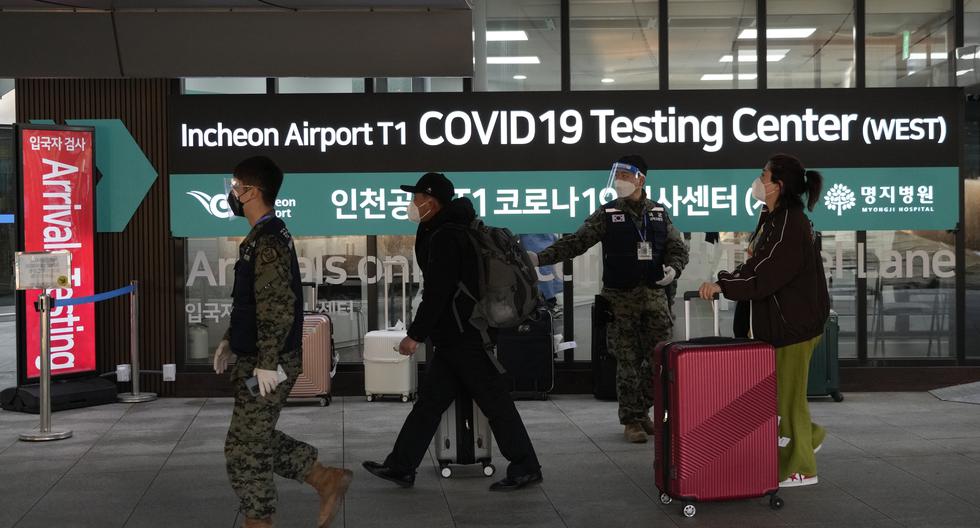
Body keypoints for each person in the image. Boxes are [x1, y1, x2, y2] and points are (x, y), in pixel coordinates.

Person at [362, 172, 542, 491]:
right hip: (455, 336)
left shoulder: (446, 236)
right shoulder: (441, 229)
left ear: (431, 201)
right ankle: (401, 465)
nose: (411, 204)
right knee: (431, 402)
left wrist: (415, 335)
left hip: (466, 336)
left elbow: (438, 292)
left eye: (416, 198)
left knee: (494, 402)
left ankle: (526, 465)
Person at [213, 156, 352, 528]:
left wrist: (267, 362)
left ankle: (261, 520)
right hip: (257, 356)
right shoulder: (262, 236)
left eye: (235, 185)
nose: (231, 192)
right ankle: (325, 478)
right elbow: (252, 302)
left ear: (251, 192)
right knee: (250, 439)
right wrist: (230, 339)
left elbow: (278, 306)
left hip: (267, 362)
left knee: (245, 450)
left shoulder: (269, 239)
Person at [530, 155, 689, 443]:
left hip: (655, 300)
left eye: (626, 176)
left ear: (641, 179)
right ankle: (631, 420)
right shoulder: (607, 214)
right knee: (627, 361)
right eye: (617, 175)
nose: (620, 181)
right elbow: (575, 243)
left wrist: (674, 268)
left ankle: (643, 411)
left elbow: (677, 247)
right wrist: (540, 257)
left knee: (659, 359)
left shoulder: (659, 213)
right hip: (620, 300)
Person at [698, 153, 829, 488]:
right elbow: (756, 263)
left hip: (793, 326)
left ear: (778, 185)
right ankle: (809, 435)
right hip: (780, 323)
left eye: (763, 176)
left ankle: (800, 468)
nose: (758, 181)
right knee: (783, 393)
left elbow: (768, 275)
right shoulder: (772, 217)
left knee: (788, 397)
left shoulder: (791, 223)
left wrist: (724, 287)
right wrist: (727, 279)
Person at [519, 233, 564, 318]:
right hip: (532, 238)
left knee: (545, 270)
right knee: (541, 270)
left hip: (540, 236)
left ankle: (548, 304)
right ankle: (548, 304)